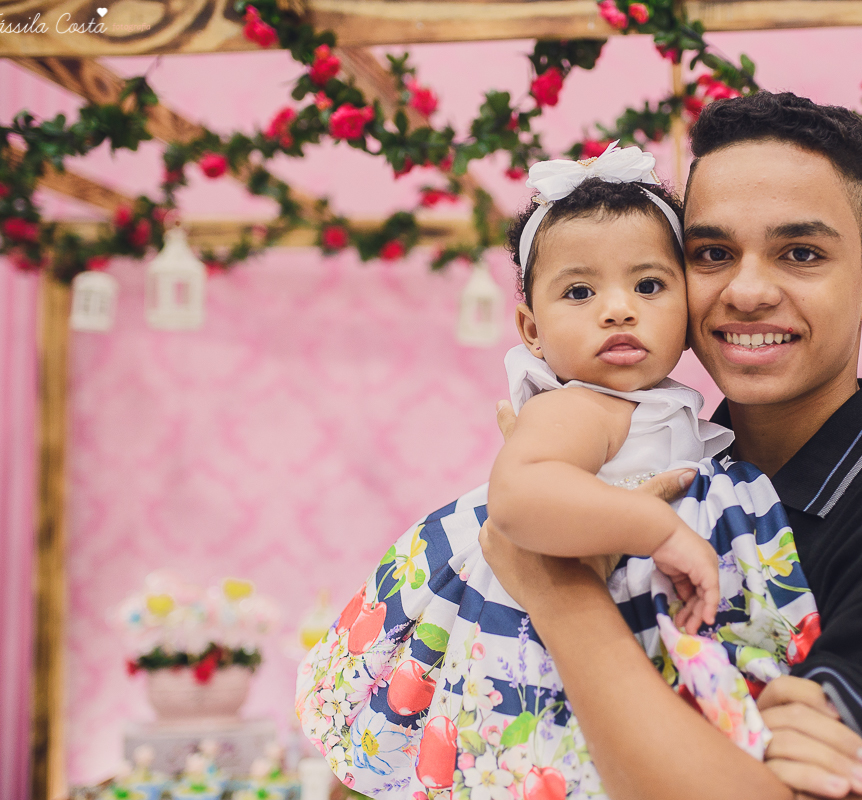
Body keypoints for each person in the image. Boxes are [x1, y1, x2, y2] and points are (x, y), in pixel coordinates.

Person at [481, 92, 862, 800]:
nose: (749, 290)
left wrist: (555, 589)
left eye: (800, 253)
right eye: (713, 253)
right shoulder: (649, 455)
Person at [296, 142, 820, 799]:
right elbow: (519, 497)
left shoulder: (659, 407)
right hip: (547, 625)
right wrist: (655, 528)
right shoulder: (580, 408)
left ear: (688, 313)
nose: (618, 308)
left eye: (649, 285)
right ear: (532, 329)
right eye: (579, 291)